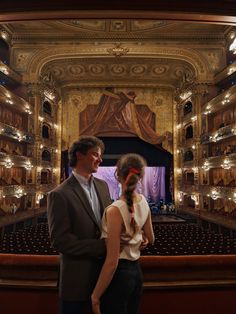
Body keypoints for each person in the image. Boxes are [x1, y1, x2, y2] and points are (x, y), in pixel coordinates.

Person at [47, 136, 112, 314]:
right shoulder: (59, 194)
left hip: (105, 279)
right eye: (95, 155)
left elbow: (109, 223)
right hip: (76, 282)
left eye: (100, 155)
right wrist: (102, 246)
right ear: (79, 155)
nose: (100, 159)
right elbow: (60, 241)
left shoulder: (103, 186)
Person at [91, 153, 155, 314]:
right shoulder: (144, 201)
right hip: (137, 274)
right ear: (140, 177)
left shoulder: (114, 210)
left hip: (119, 276)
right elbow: (151, 238)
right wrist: (139, 236)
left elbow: (112, 261)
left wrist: (95, 295)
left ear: (117, 176)